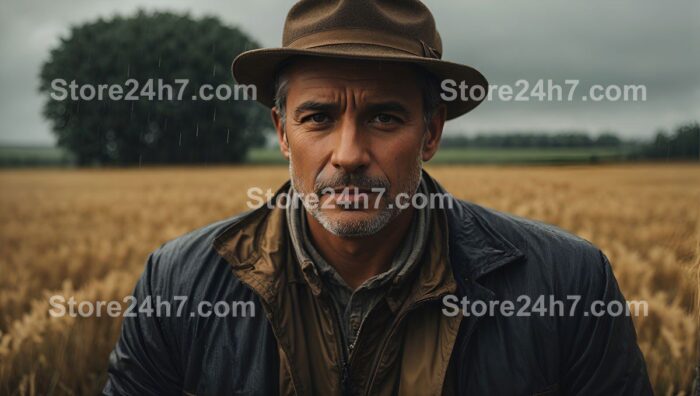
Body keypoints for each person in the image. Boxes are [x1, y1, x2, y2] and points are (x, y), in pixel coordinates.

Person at [104, 0, 652, 394]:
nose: (348, 154)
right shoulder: (177, 282)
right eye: (318, 118)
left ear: (431, 132)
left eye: (384, 117)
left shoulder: (568, 282)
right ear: (281, 132)